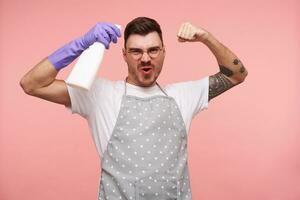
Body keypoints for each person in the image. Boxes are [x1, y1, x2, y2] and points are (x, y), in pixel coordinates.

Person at [20, 17, 248, 200]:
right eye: (136, 51)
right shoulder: (98, 94)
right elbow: (32, 84)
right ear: (124, 55)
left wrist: (205, 37)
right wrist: (81, 44)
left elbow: (237, 74)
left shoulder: (183, 95)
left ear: (164, 52)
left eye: (153, 50)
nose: (145, 58)